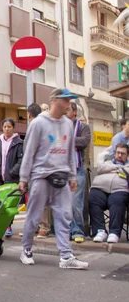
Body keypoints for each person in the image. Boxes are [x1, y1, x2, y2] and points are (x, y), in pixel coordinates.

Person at [19, 88, 89, 270]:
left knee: (64, 216)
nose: (68, 104)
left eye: (70, 101)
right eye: (66, 100)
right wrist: (24, 178)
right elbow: (29, 152)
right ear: (55, 100)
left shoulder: (68, 124)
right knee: (34, 217)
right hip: (41, 176)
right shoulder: (38, 123)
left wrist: (72, 175)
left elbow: (70, 151)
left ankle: (66, 256)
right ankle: (26, 249)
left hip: (62, 176)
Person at [0, 118, 23, 237]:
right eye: (5, 127)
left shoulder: (18, 143)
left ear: (13, 128)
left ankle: (9, 225)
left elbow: (21, 160)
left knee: (10, 203)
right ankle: (0, 225)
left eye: (9, 127)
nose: (7, 129)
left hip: (11, 179)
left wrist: (13, 172)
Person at [88, 143, 129, 244]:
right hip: (100, 189)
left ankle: (114, 232)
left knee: (117, 200)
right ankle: (100, 231)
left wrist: (113, 169)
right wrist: (118, 169)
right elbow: (100, 168)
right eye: (118, 153)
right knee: (92, 198)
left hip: (119, 190)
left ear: (127, 155)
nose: (119, 155)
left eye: (122, 154)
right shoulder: (107, 162)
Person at [66, 101, 91, 243]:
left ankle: (77, 231)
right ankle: (66, 231)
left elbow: (84, 141)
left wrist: (67, 140)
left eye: (68, 109)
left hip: (77, 168)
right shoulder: (60, 127)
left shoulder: (83, 127)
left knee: (76, 202)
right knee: (64, 202)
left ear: (75, 112)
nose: (65, 111)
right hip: (63, 169)